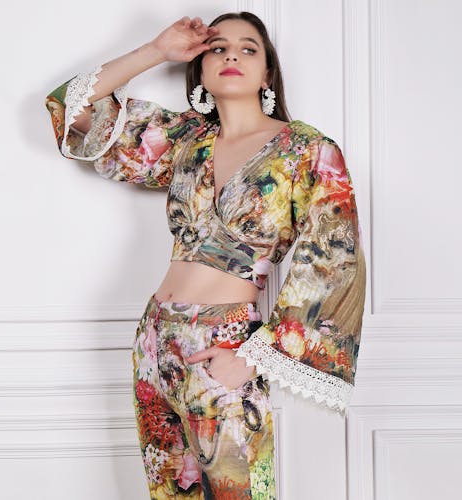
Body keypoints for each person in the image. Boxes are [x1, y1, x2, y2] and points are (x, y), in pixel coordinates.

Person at [45, 11, 366, 499]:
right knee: (172, 493)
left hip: (225, 341)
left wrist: (255, 357)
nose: (232, 54)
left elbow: (335, 258)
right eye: (218, 47)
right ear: (199, 70)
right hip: (155, 340)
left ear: (268, 73)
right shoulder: (184, 141)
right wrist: (157, 50)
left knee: (240, 494)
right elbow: (72, 107)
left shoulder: (305, 150)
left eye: (248, 48)